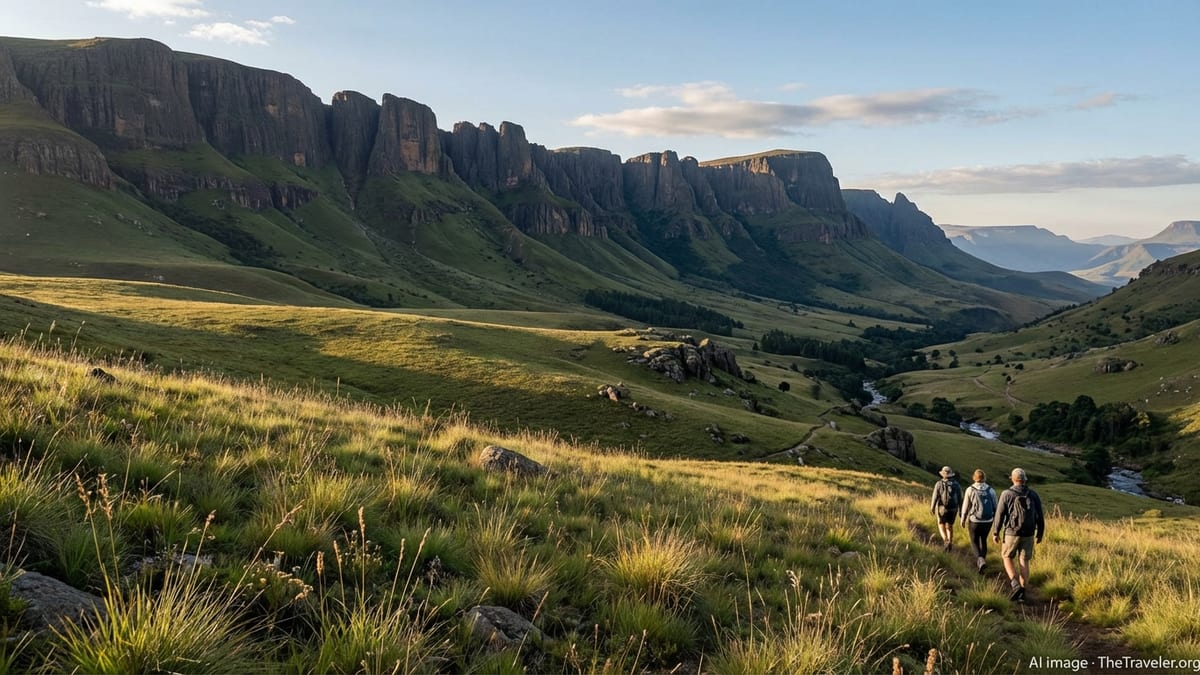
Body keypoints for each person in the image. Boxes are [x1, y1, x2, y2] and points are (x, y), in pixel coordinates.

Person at [992, 467, 1045, 602]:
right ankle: (1023, 592)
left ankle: (1014, 584)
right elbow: (1040, 515)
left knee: (1007, 556)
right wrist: (1040, 532)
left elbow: (999, 514)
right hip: (1029, 532)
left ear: (1013, 479)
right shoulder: (1033, 494)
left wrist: (995, 532)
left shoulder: (1006, 494)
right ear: (1024, 480)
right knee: (1024, 561)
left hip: (1011, 532)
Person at [960, 469, 998, 574]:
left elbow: (965, 506)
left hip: (974, 520)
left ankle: (980, 559)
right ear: (984, 478)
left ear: (974, 478)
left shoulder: (970, 489)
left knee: (974, 540)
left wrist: (963, 519)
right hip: (988, 520)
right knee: (983, 540)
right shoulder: (991, 490)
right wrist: (996, 522)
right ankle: (982, 559)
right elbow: (996, 507)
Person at [930, 466, 962, 551]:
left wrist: (932, 507)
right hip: (953, 509)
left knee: (941, 524)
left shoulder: (939, 484)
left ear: (943, 474)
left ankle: (945, 541)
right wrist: (961, 510)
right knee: (949, 525)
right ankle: (950, 542)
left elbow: (935, 497)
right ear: (951, 474)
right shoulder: (956, 484)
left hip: (942, 508)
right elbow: (960, 498)